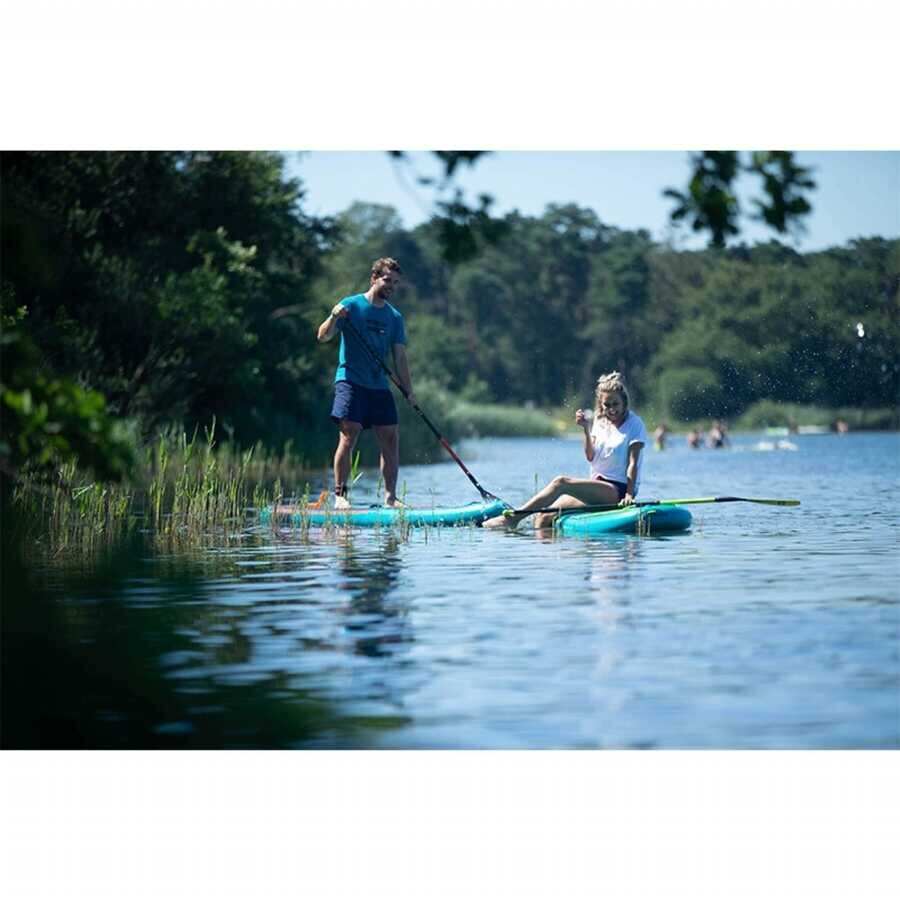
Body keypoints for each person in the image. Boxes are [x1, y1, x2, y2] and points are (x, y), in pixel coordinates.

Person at [483, 371, 649, 529]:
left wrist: (629, 495)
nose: (612, 409)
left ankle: (512, 519)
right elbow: (590, 457)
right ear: (601, 405)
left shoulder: (635, 424)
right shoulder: (599, 421)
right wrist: (586, 429)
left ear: (624, 402)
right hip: (597, 485)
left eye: (616, 404)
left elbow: (633, 464)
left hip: (617, 490)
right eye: (607, 405)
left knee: (561, 482)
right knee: (543, 517)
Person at [317, 257, 416, 509]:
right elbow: (322, 337)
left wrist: (409, 390)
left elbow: (400, 357)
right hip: (350, 381)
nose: (391, 286)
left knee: (391, 438)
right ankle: (340, 496)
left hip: (378, 386)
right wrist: (332, 315)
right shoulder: (350, 305)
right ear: (374, 278)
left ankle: (391, 498)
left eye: (395, 282)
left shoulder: (394, 317)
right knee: (349, 434)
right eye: (387, 280)